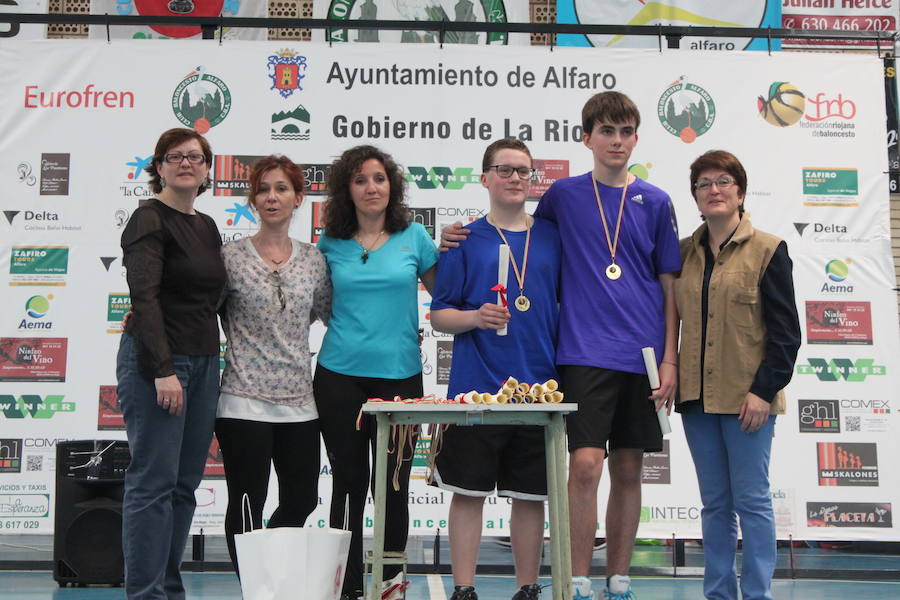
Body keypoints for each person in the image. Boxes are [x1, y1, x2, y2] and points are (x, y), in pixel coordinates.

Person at [442, 91, 681, 600]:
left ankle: (619, 577)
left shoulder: (657, 201)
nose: (616, 141)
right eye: (606, 132)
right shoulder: (562, 198)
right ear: (586, 138)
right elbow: (513, 235)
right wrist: (447, 237)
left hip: (641, 356)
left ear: (636, 137)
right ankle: (576, 579)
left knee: (630, 467)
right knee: (585, 465)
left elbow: (668, 287)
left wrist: (669, 357)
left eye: (625, 132)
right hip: (580, 353)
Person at [429, 139, 561, 600]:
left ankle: (527, 588)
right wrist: (475, 317)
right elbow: (439, 314)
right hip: (477, 389)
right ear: (485, 178)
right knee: (467, 492)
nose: (514, 178)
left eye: (523, 171)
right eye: (504, 170)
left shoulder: (552, 236)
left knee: (530, 497)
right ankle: (463, 588)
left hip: (540, 389)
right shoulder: (463, 239)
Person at [313, 145, 438, 600]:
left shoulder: (415, 238)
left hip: (401, 379)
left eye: (380, 178)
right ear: (347, 189)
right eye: (361, 179)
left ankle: (390, 584)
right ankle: (344, 585)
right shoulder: (328, 243)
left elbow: (446, 302)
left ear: (392, 186)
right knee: (348, 482)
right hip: (339, 377)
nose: (372, 187)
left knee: (395, 485)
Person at [674, 150, 800, 600]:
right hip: (696, 399)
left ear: (740, 192)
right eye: (704, 183)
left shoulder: (769, 249)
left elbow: (787, 335)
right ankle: (720, 593)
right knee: (715, 504)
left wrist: (763, 392)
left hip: (749, 400)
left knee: (751, 502)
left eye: (724, 181)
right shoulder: (685, 253)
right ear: (695, 195)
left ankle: (758, 593)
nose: (714, 189)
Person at [117, 128, 226, 600]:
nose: (187, 163)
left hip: (204, 362)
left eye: (196, 157)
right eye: (175, 156)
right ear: (158, 166)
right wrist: (163, 369)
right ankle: (145, 594)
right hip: (159, 364)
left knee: (184, 486)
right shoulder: (148, 219)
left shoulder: (205, 225)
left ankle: (168, 588)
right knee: (153, 483)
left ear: (206, 170)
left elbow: (214, 295)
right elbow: (143, 296)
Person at [215, 155, 332, 573]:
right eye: (263, 189)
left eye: (281, 188)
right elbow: (198, 309)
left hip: (300, 401)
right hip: (241, 401)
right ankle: (254, 585)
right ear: (252, 199)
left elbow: (331, 314)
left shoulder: (315, 260)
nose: (272, 197)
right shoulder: (229, 257)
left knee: (302, 499)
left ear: (299, 197)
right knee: (247, 502)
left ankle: (272, 574)